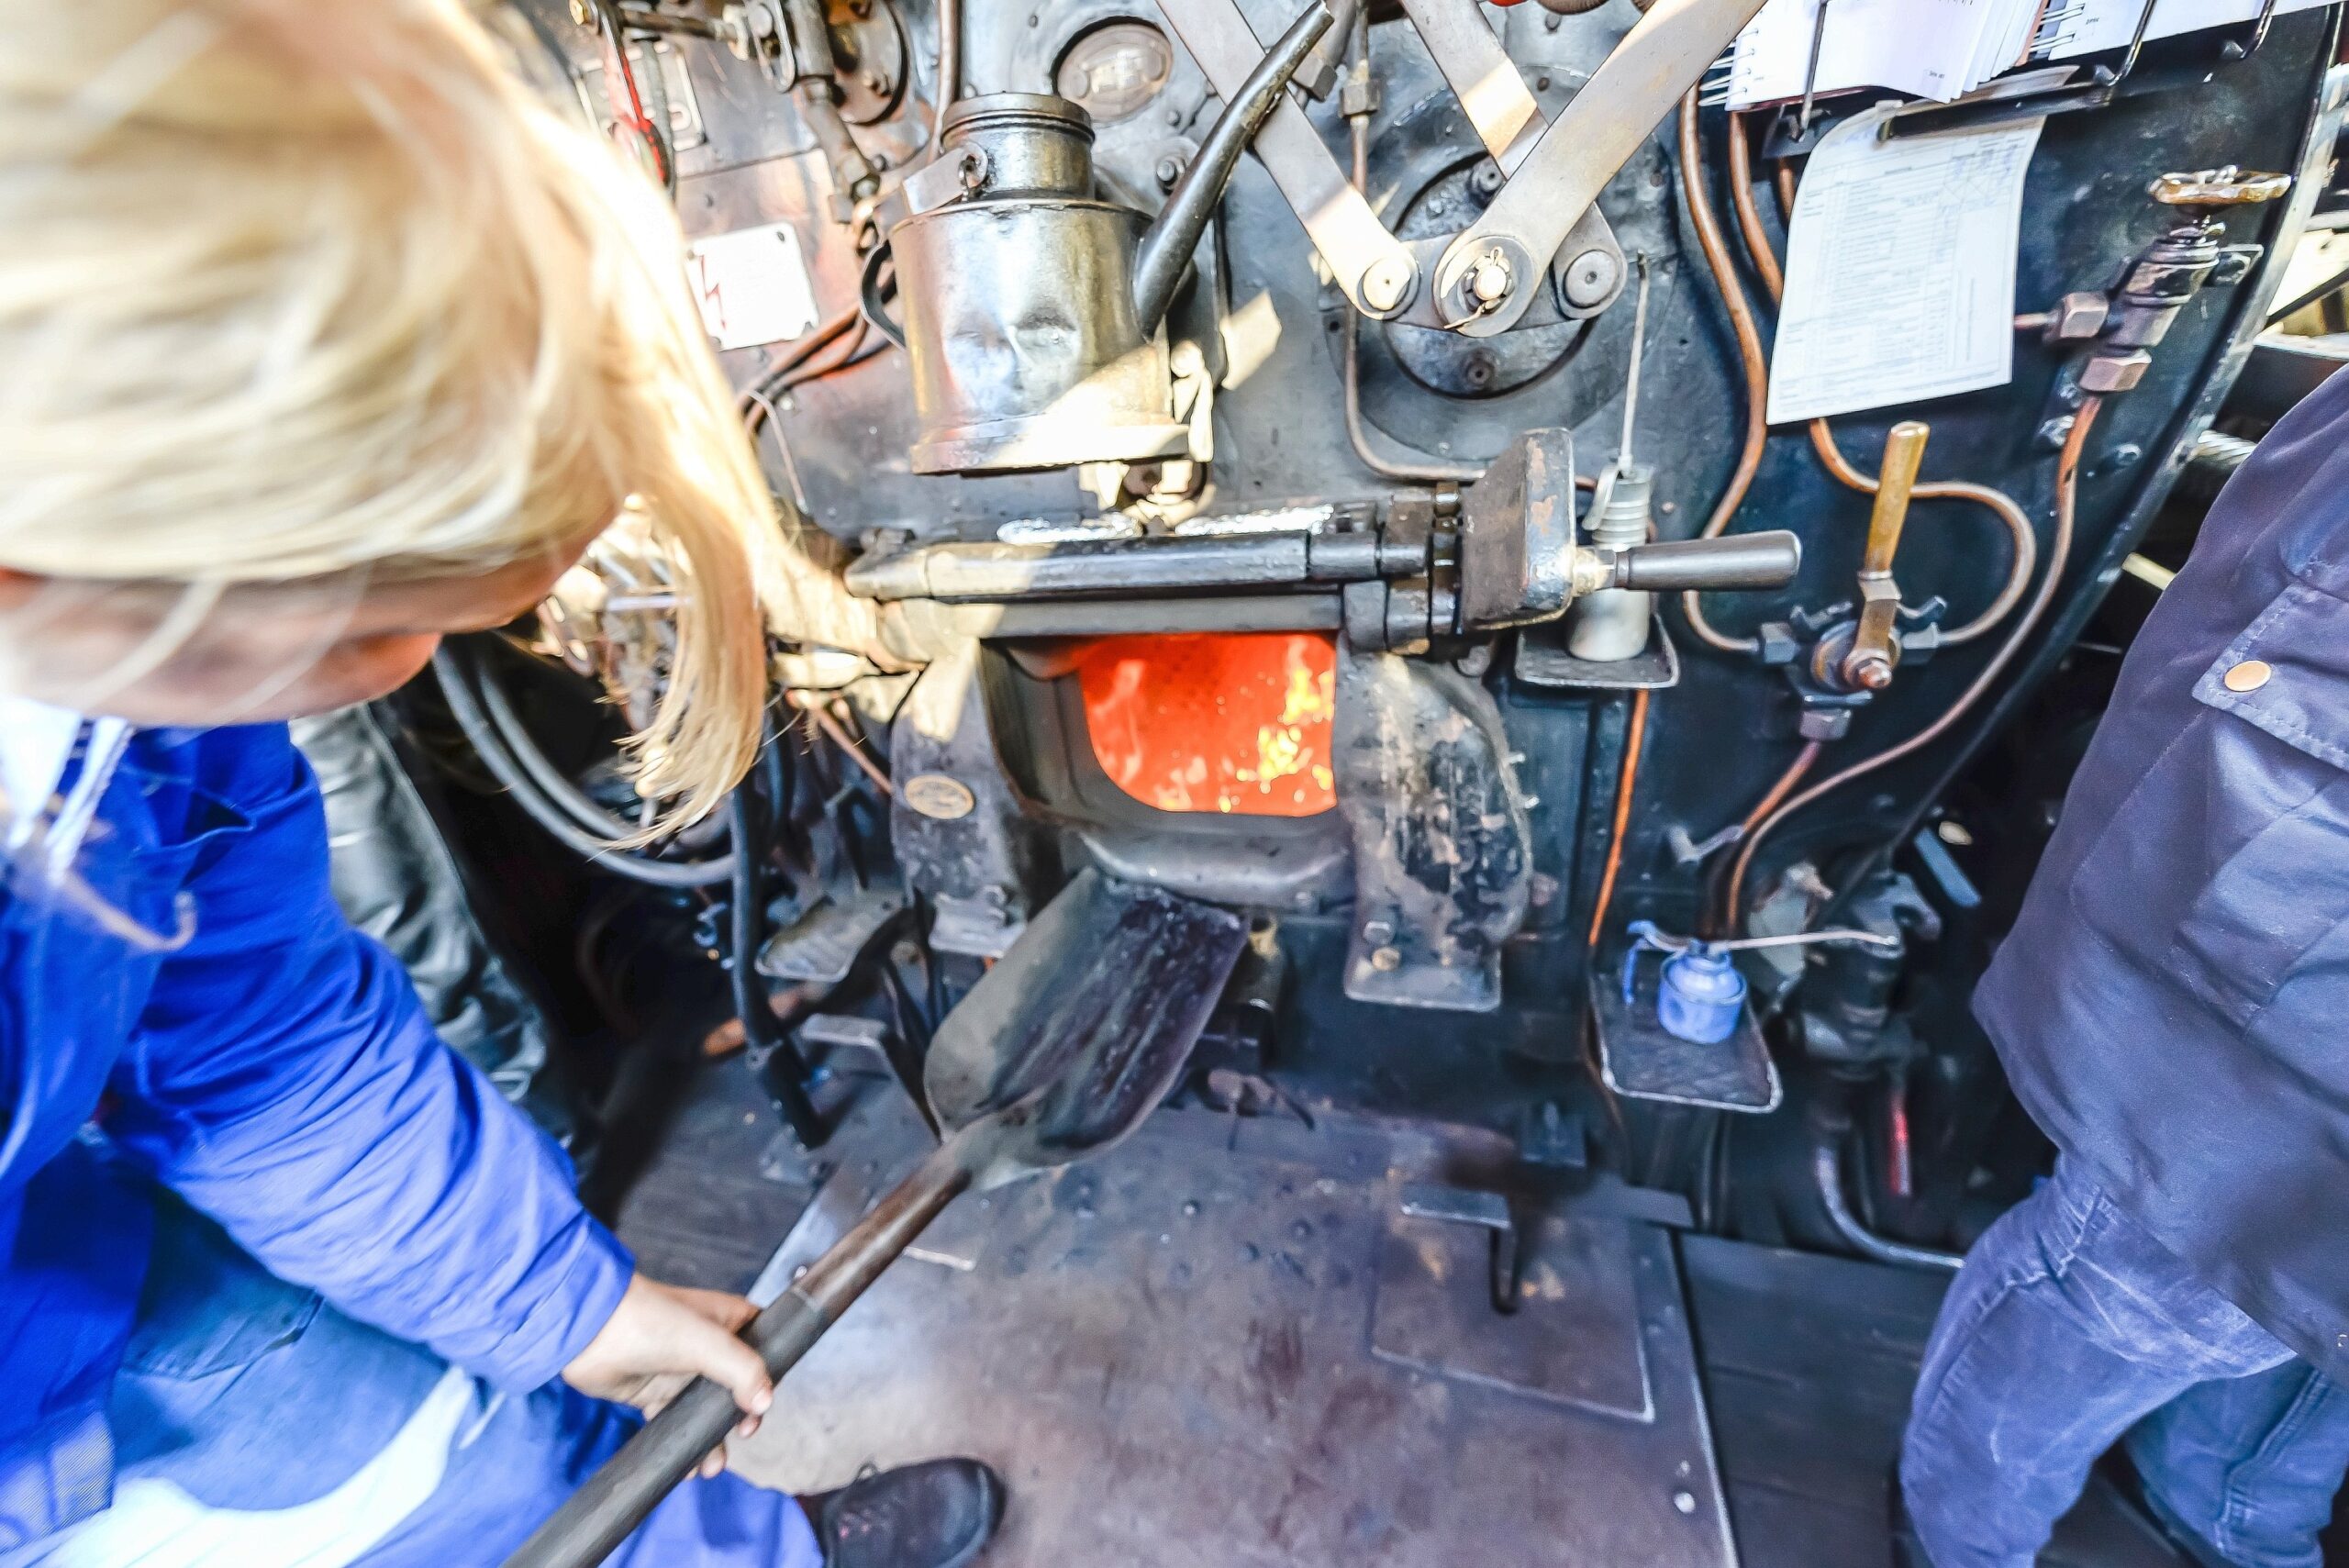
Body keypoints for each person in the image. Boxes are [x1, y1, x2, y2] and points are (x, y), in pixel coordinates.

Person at [0, 2, 993, 1565]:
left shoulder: (147, 708)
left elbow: (256, 1042)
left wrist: (567, 1305)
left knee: (468, 1455)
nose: (415, 671)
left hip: (64, 1272)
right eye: (385, 620)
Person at [1899, 366, 2349, 1568]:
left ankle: (2231, 1511)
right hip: (2294, 973)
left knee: (2297, 1330)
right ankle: (1961, 1539)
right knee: (2143, 1274)